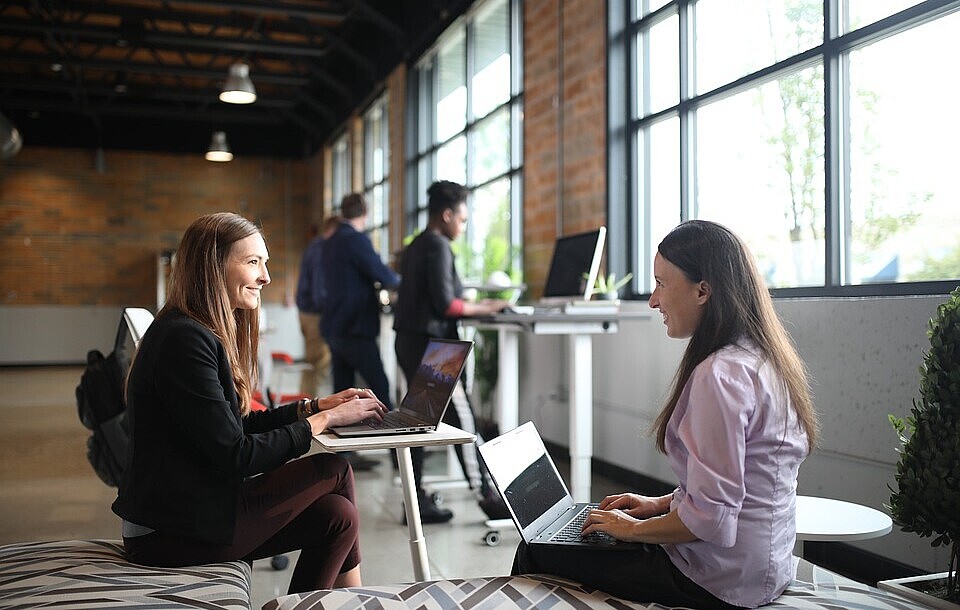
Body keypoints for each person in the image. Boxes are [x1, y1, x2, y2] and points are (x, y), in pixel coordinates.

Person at [511, 220, 820, 609]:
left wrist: (634, 530)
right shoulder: (764, 360)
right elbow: (733, 484)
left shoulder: (719, 376)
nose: (653, 301)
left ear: (703, 290)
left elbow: (712, 520)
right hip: (764, 566)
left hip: (718, 579)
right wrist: (659, 505)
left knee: (535, 552)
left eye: (660, 283)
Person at [112, 212, 388, 594]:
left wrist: (314, 406)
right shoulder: (184, 341)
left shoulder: (191, 330)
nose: (266, 277)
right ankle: (357, 600)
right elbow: (237, 455)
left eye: (265, 263)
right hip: (167, 530)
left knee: (337, 516)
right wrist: (324, 422)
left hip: (185, 511)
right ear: (213, 267)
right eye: (253, 262)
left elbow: (236, 425)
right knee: (335, 470)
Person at [393, 180, 511, 523]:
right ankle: (486, 496)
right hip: (433, 349)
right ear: (446, 215)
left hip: (411, 341)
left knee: (417, 423)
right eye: (461, 218)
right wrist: (486, 307)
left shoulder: (416, 245)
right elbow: (447, 304)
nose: (463, 225)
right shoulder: (438, 246)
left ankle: (413, 502)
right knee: (464, 420)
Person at [321, 193, 401, 472]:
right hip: (355, 327)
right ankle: (399, 456)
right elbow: (384, 275)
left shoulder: (329, 242)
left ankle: (342, 458)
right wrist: (404, 280)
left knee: (343, 394)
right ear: (365, 214)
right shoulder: (355, 239)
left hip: (334, 326)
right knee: (380, 389)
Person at [296, 216, 340, 397]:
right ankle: (309, 407)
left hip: (306, 311)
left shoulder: (314, 245)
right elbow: (319, 286)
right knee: (319, 363)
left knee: (312, 362)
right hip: (315, 314)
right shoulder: (322, 248)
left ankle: (305, 402)